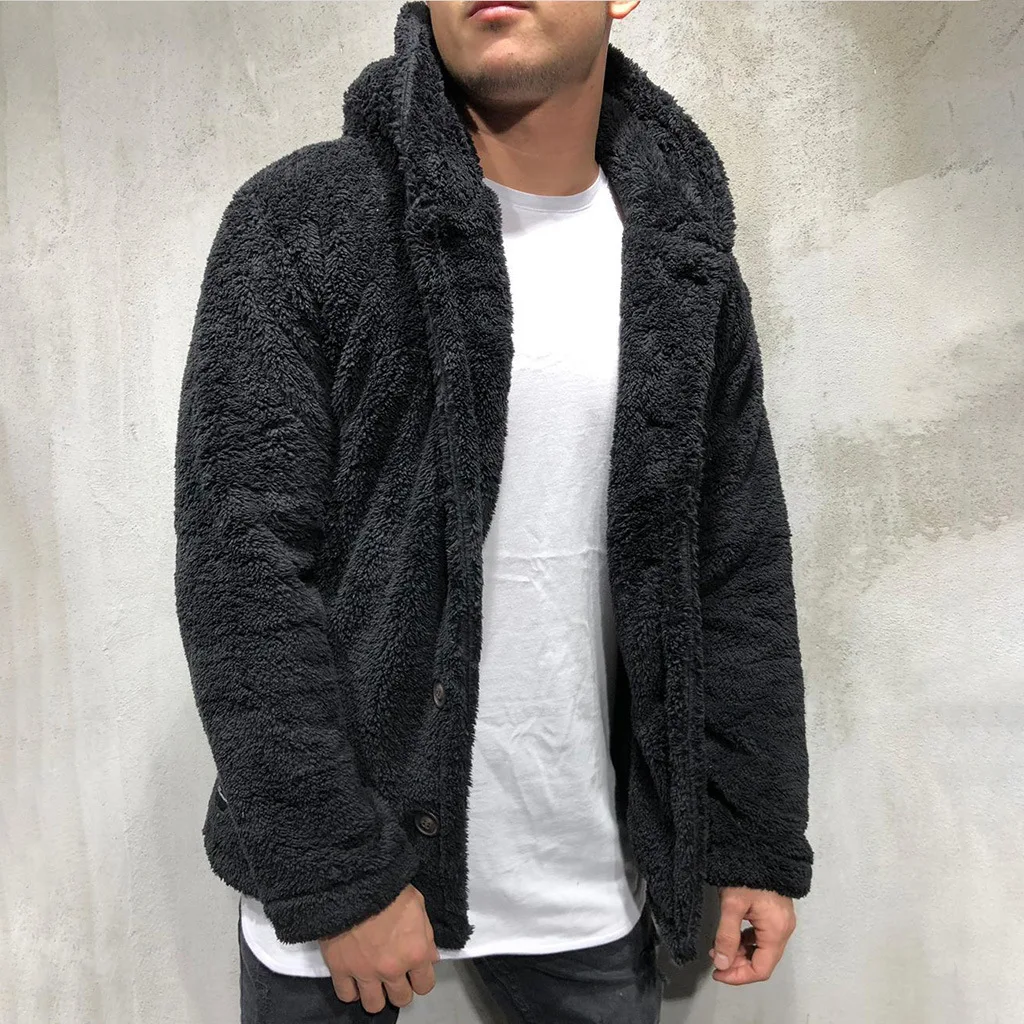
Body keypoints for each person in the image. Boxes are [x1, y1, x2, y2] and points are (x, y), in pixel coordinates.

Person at [173, 1, 814, 1020]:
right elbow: (239, 568)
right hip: (341, 891)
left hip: (585, 879)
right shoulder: (306, 218)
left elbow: (733, 559)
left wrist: (751, 835)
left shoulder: (680, 256)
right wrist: (339, 874)